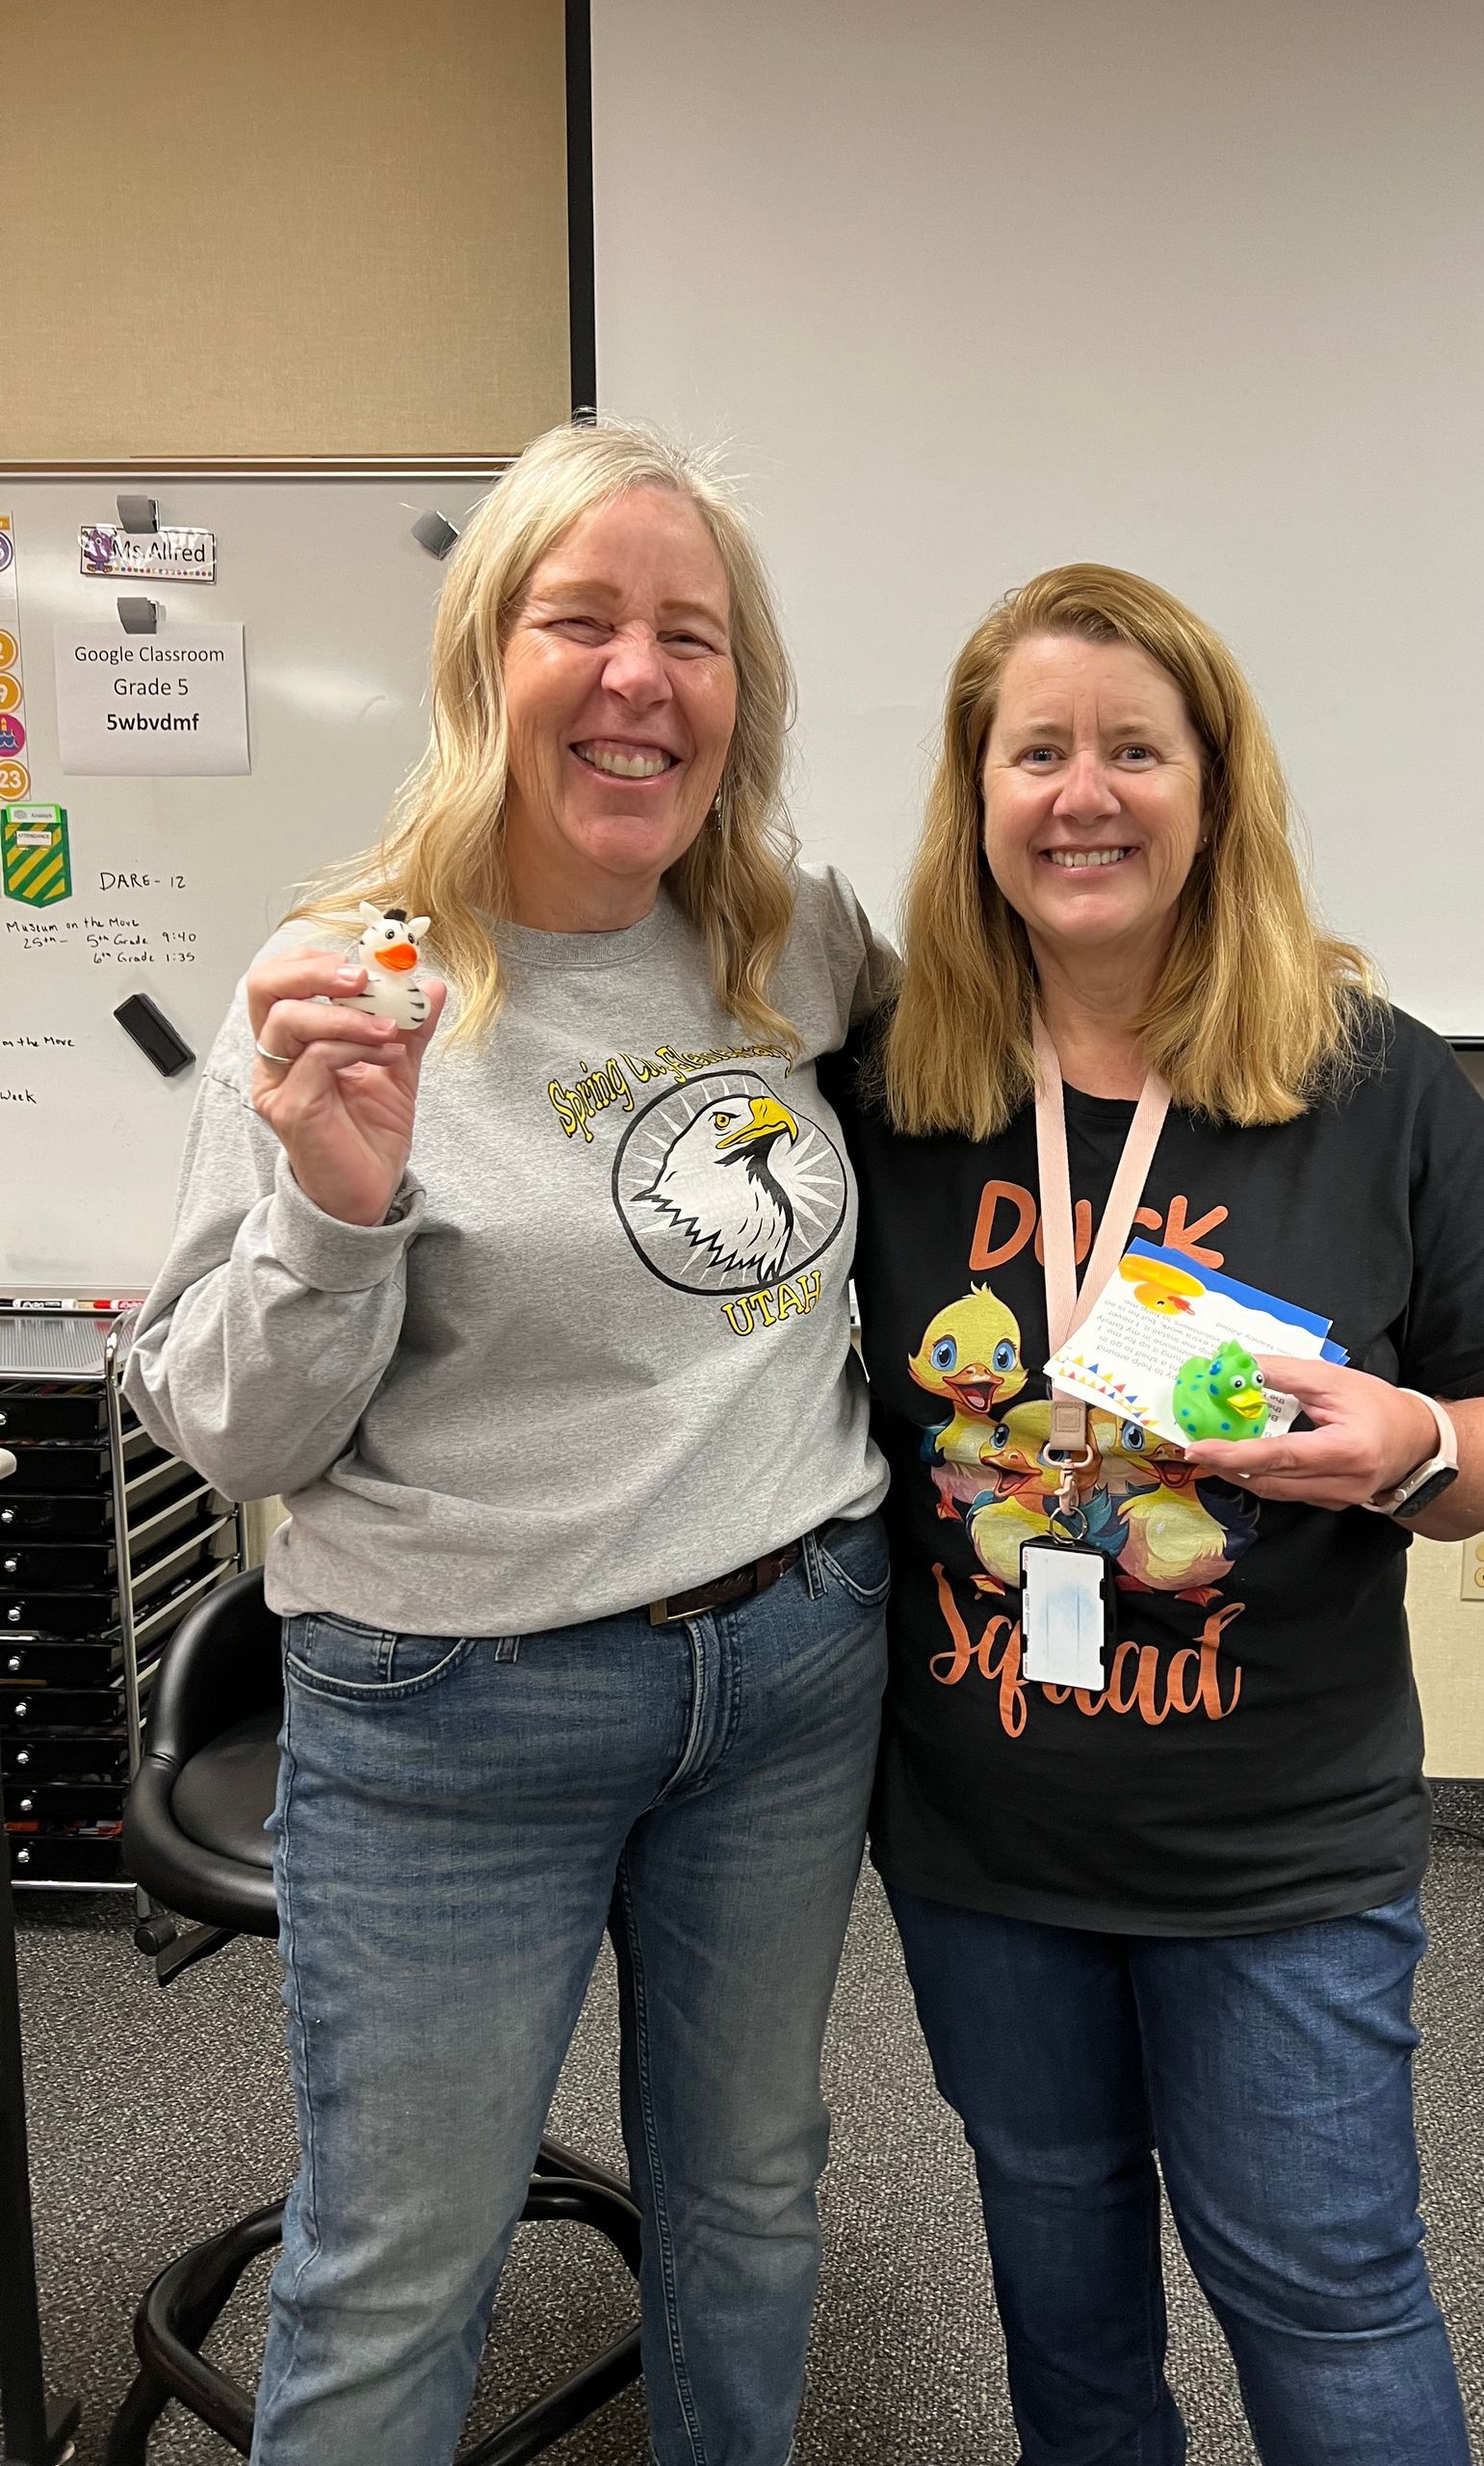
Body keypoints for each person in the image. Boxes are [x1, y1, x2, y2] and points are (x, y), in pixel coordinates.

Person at [126, 420, 897, 2466]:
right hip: (460, 1706)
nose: (642, 676)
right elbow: (225, 1420)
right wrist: (336, 1202)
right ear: (487, 663)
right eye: (584, 620)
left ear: (744, 696)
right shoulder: (351, 980)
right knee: (398, 2268)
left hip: (797, 1659)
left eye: (694, 635)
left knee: (750, 2198)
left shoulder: (789, 940)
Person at [824, 563, 1484, 2466]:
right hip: (983, 1838)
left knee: (1326, 2306)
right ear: (977, 791)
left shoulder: (1368, 1077)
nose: (1084, 793)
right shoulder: (889, 1087)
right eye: (1038, 750)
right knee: (1065, 2311)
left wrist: (1409, 1439)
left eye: (1133, 748)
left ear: (1211, 785)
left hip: (1278, 1850)